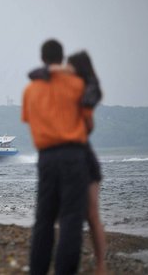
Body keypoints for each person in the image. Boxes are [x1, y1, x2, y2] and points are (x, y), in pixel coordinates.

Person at [22, 39, 91, 275]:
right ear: (62, 59)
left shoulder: (30, 90)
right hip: (73, 154)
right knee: (71, 217)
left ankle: (38, 270)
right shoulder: (77, 85)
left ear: (42, 58)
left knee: (44, 217)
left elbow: (30, 120)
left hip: (46, 157)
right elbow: (88, 121)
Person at [67, 51, 107, 275]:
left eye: (69, 66)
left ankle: (100, 265)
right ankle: (100, 265)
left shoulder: (84, 92)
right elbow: (89, 126)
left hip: (79, 156)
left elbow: (88, 125)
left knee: (89, 215)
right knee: (91, 216)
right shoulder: (88, 90)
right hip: (82, 155)